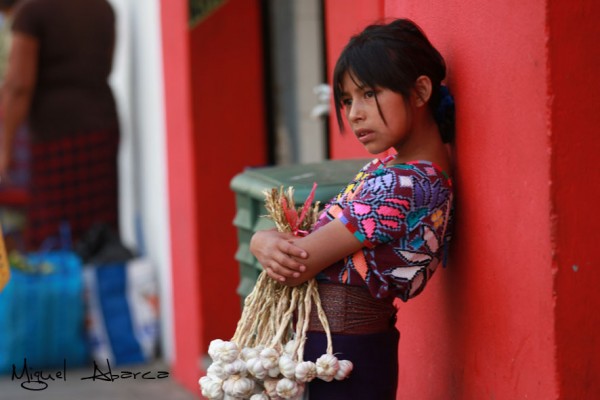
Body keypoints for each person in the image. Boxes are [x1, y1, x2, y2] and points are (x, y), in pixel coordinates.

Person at [250, 18, 455, 399]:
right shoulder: (391, 171)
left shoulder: (404, 185)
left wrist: (260, 241)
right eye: (346, 100)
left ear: (420, 91)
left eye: (369, 94)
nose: (354, 113)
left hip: (345, 358)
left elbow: (298, 261)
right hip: (338, 352)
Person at [0, 0, 120, 249]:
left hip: (55, 137)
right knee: (100, 236)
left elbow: (19, 86)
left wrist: (5, 146)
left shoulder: (32, 12)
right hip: (102, 127)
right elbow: (106, 66)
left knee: (54, 240)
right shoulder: (102, 7)